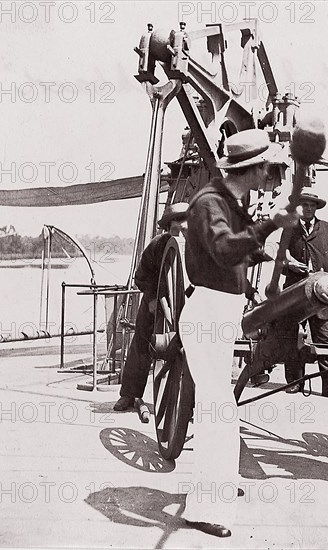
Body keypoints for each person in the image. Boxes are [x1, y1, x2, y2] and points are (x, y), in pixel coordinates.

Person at [179, 129, 298, 538]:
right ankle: (204, 507)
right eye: (271, 172)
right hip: (207, 312)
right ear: (254, 168)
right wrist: (268, 226)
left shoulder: (229, 201)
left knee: (220, 411)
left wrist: (268, 247)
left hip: (221, 311)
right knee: (219, 412)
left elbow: (242, 249)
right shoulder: (209, 203)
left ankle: (218, 489)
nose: (273, 180)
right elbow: (226, 249)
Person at [113, 202, 188, 412]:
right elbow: (141, 276)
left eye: (185, 223)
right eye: (177, 224)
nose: (182, 228)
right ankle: (129, 394)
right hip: (155, 302)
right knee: (141, 345)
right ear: (168, 226)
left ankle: (188, 400)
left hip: (185, 305)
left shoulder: (196, 245)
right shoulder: (157, 245)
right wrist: (153, 299)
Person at [281, 192, 328, 400]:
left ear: (317, 208)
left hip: (322, 296)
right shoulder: (289, 228)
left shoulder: (327, 229)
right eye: (304, 205)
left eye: (312, 205)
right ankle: (295, 382)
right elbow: (278, 260)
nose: (308, 208)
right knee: (293, 336)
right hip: (295, 292)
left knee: (325, 339)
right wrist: (290, 264)